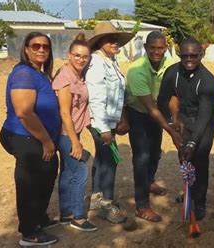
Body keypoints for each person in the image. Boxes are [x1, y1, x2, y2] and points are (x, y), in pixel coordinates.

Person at [0, 32, 60, 246]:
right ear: (26, 49)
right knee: (30, 182)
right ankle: (29, 232)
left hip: (36, 135)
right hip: (24, 135)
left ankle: (39, 218)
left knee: (48, 171)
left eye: (45, 46)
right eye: (35, 46)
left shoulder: (39, 73)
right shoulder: (24, 74)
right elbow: (24, 112)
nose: (41, 49)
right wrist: (46, 141)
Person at [158, 37, 214, 221]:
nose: (189, 59)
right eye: (185, 56)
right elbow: (162, 100)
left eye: (194, 55)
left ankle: (199, 201)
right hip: (183, 118)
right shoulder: (172, 73)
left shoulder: (207, 80)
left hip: (204, 120)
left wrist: (193, 142)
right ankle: (189, 193)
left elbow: (204, 115)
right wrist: (171, 124)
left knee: (199, 157)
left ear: (201, 55)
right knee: (184, 157)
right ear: (179, 55)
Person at [125, 31, 182, 222]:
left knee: (155, 152)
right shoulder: (136, 70)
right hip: (139, 113)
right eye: (152, 48)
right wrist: (172, 131)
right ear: (145, 48)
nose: (157, 52)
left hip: (158, 111)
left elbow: (175, 92)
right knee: (141, 158)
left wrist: (174, 119)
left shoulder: (169, 63)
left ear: (165, 47)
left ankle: (149, 181)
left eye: (160, 48)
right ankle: (141, 206)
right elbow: (149, 107)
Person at [85, 21, 134, 224]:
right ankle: (106, 202)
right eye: (110, 40)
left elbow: (117, 95)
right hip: (100, 122)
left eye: (116, 40)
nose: (115, 43)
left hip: (109, 121)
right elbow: (96, 98)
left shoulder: (111, 61)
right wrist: (104, 129)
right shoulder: (96, 62)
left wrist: (120, 118)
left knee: (103, 159)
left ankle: (97, 200)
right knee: (111, 160)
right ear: (100, 42)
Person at [52, 33, 97, 232]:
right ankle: (77, 217)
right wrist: (75, 142)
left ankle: (66, 213)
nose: (81, 59)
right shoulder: (65, 78)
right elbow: (64, 112)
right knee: (80, 170)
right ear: (69, 55)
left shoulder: (79, 75)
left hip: (71, 132)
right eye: (77, 55)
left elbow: (81, 109)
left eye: (84, 56)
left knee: (68, 171)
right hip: (64, 133)